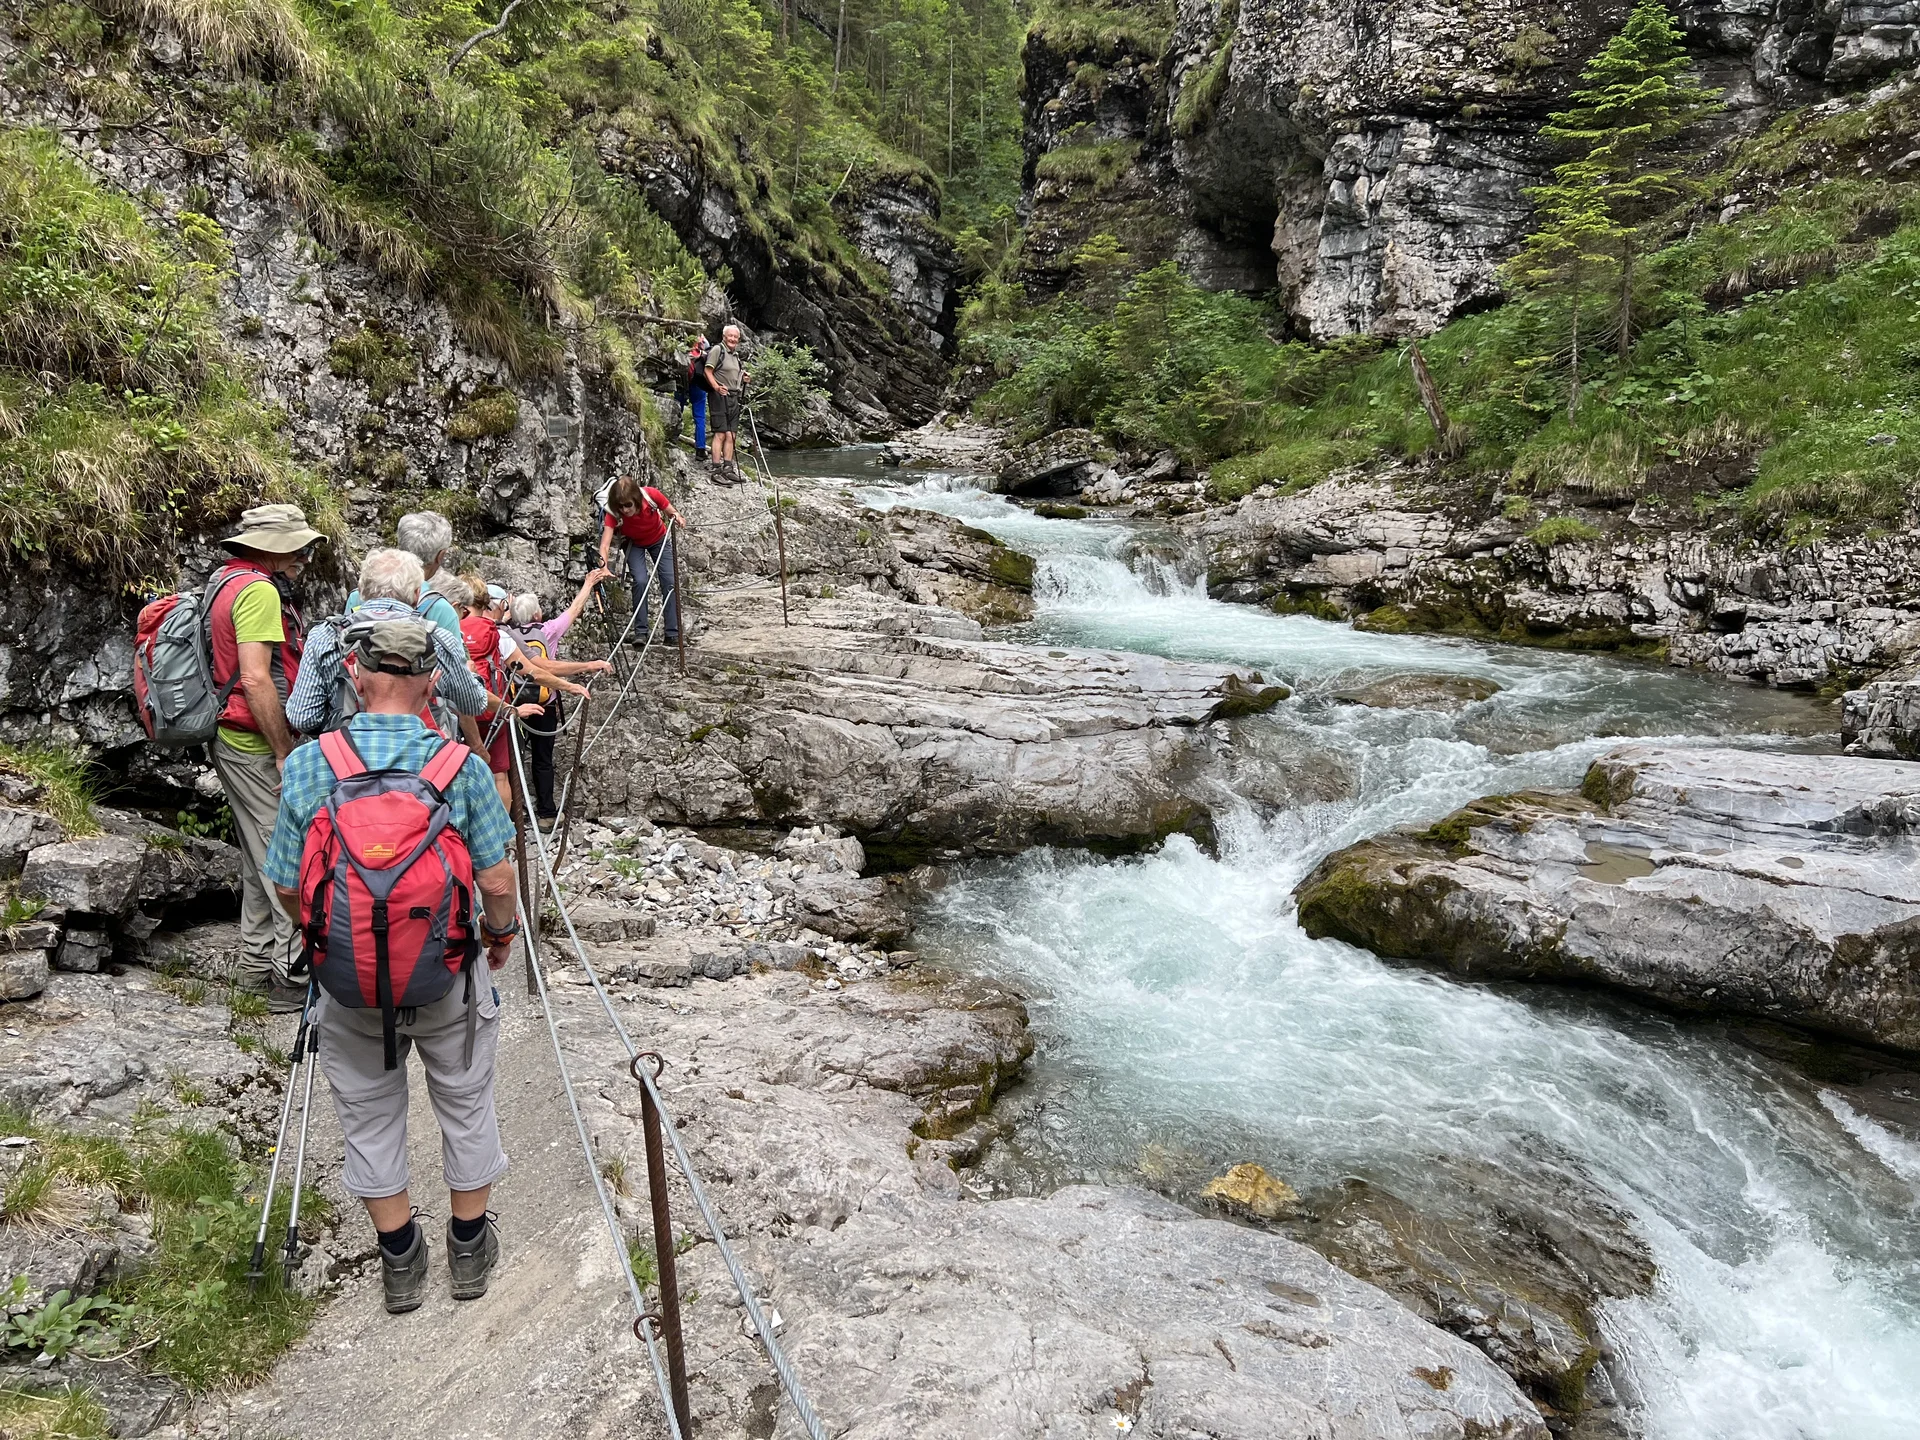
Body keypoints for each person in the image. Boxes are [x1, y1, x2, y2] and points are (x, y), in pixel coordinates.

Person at [265, 620, 519, 1314]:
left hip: (345, 984)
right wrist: (500, 935)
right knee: (465, 1101)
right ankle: (469, 1250)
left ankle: (401, 1261)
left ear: (354, 676)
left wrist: (327, 936)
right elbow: (496, 880)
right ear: (434, 683)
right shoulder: (458, 769)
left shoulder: (310, 766)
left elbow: (287, 884)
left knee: (370, 1116)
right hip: (446, 971)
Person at [207, 503, 324, 1013]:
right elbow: (256, 677)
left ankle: (254, 966)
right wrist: (284, 751)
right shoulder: (257, 592)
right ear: (268, 547)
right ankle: (290, 975)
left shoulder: (224, 580)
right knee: (288, 858)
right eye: (294, 545)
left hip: (228, 735)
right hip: (254, 742)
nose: (302, 554)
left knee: (260, 859)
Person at [288, 548, 493, 738]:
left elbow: (303, 717)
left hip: (346, 764)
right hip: (424, 763)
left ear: (361, 590)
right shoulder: (439, 639)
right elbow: (473, 704)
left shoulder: (325, 636)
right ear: (416, 594)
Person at [457, 575, 590, 810]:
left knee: (459, 774)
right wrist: (570, 686)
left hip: (458, 714)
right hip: (496, 713)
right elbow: (533, 672)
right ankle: (501, 838)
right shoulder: (498, 635)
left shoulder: (448, 629)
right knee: (500, 776)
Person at [504, 571, 614, 828]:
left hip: (515, 705)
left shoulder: (505, 635)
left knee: (512, 759)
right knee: (543, 759)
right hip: (546, 705)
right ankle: (546, 814)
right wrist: (588, 583)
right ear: (535, 615)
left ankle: (512, 814)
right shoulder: (549, 630)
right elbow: (575, 609)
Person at [597, 476, 687, 652]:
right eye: (621, 506)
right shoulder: (613, 512)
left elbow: (671, 511)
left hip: (658, 539)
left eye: (628, 505)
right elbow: (605, 544)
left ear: (637, 500)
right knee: (640, 581)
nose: (625, 510)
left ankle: (673, 633)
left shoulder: (651, 495)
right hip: (634, 544)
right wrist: (603, 567)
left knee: (669, 581)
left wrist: (677, 518)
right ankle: (641, 633)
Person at [703, 324, 749, 480]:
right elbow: (707, 371)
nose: (733, 339)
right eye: (730, 336)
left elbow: (732, 375)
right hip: (719, 397)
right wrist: (716, 387)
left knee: (731, 435)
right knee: (720, 433)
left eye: (736, 337)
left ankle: (728, 468)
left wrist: (744, 379)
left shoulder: (735, 356)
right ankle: (716, 470)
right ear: (724, 336)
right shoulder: (718, 350)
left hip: (733, 397)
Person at [675, 336, 710, 462]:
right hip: (698, 383)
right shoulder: (703, 342)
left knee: (677, 411)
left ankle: (672, 440)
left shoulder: (680, 339)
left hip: (681, 382)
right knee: (700, 417)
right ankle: (700, 450)